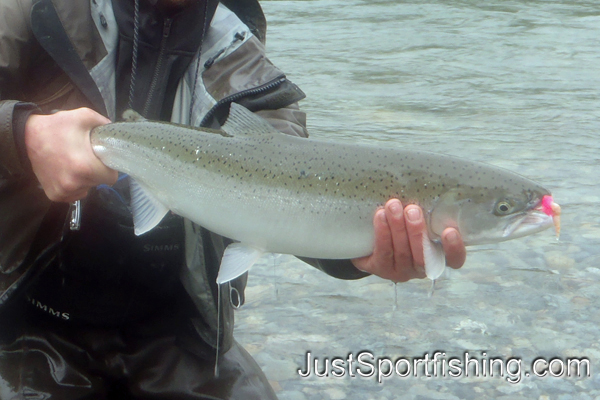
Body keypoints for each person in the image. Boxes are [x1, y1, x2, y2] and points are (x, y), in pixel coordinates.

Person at [0, 0, 466, 398]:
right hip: (22, 316)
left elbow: (299, 203)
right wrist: (21, 135)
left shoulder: (252, 76)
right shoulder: (34, 14)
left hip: (178, 328)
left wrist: (365, 253)